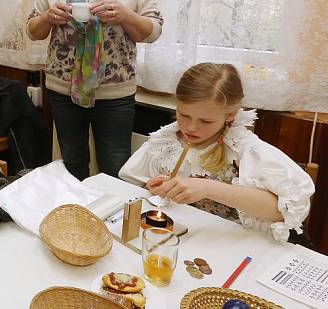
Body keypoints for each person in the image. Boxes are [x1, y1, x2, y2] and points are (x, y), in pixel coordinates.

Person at [27, 0, 163, 180]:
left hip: (115, 91)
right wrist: (48, 18)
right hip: (63, 90)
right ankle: (78, 222)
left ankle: (109, 224)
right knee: (72, 163)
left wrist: (125, 15)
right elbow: (32, 30)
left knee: (115, 168)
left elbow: (153, 30)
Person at [119, 63, 314, 243]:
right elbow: (134, 184)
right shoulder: (167, 141)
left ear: (230, 114)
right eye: (184, 115)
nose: (191, 127)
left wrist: (207, 188)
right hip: (188, 239)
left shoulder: (244, 149)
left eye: (205, 121)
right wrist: (157, 187)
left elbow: (284, 210)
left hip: (235, 244)